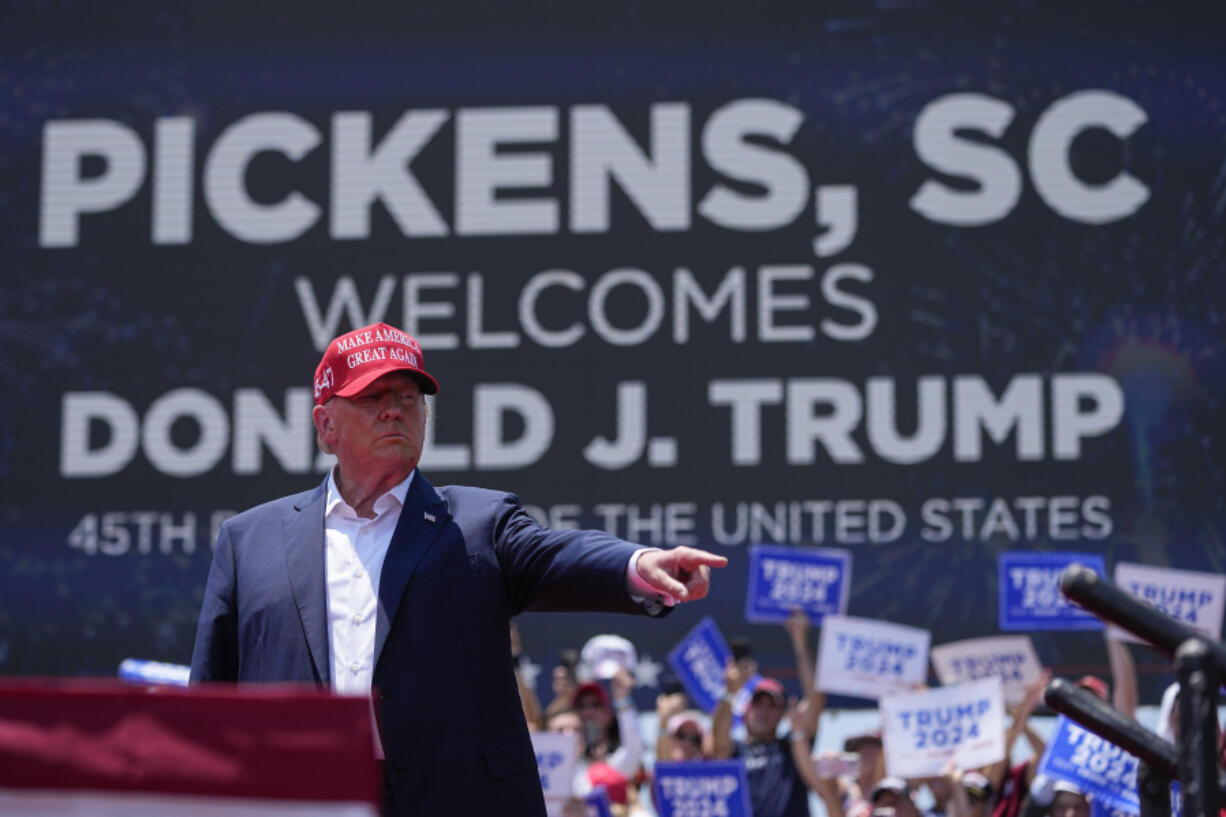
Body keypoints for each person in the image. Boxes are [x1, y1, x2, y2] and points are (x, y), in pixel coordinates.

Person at [189, 322, 728, 817]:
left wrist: (637, 565)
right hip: (303, 799)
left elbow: (556, 556)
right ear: (325, 424)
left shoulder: (477, 522)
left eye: (407, 397)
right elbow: (208, 709)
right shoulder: (250, 541)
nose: (395, 410)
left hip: (453, 797)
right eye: (373, 397)